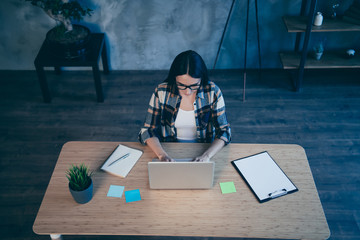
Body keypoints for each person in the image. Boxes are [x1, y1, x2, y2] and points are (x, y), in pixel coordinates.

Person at [138, 50, 231, 162]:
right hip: (169, 149)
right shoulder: (162, 91)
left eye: (194, 85)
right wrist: (162, 155)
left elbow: (224, 131)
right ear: (174, 78)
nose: (188, 91)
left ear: (202, 79)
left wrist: (206, 156)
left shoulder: (213, 92)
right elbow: (148, 130)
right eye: (181, 85)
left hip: (204, 150)